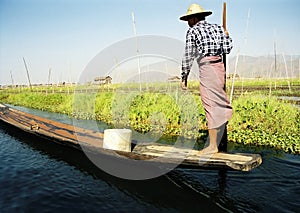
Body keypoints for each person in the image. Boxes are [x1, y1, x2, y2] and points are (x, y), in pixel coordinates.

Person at [179, 4, 233, 154]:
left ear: (194, 18)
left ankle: (213, 146)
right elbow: (227, 49)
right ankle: (218, 139)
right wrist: (226, 35)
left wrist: (184, 77)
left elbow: (188, 56)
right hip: (219, 68)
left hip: (208, 69)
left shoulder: (193, 31)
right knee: (216, 102)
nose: (188, 23)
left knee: (210, 105)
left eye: (189, 19)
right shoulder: (217, 28)